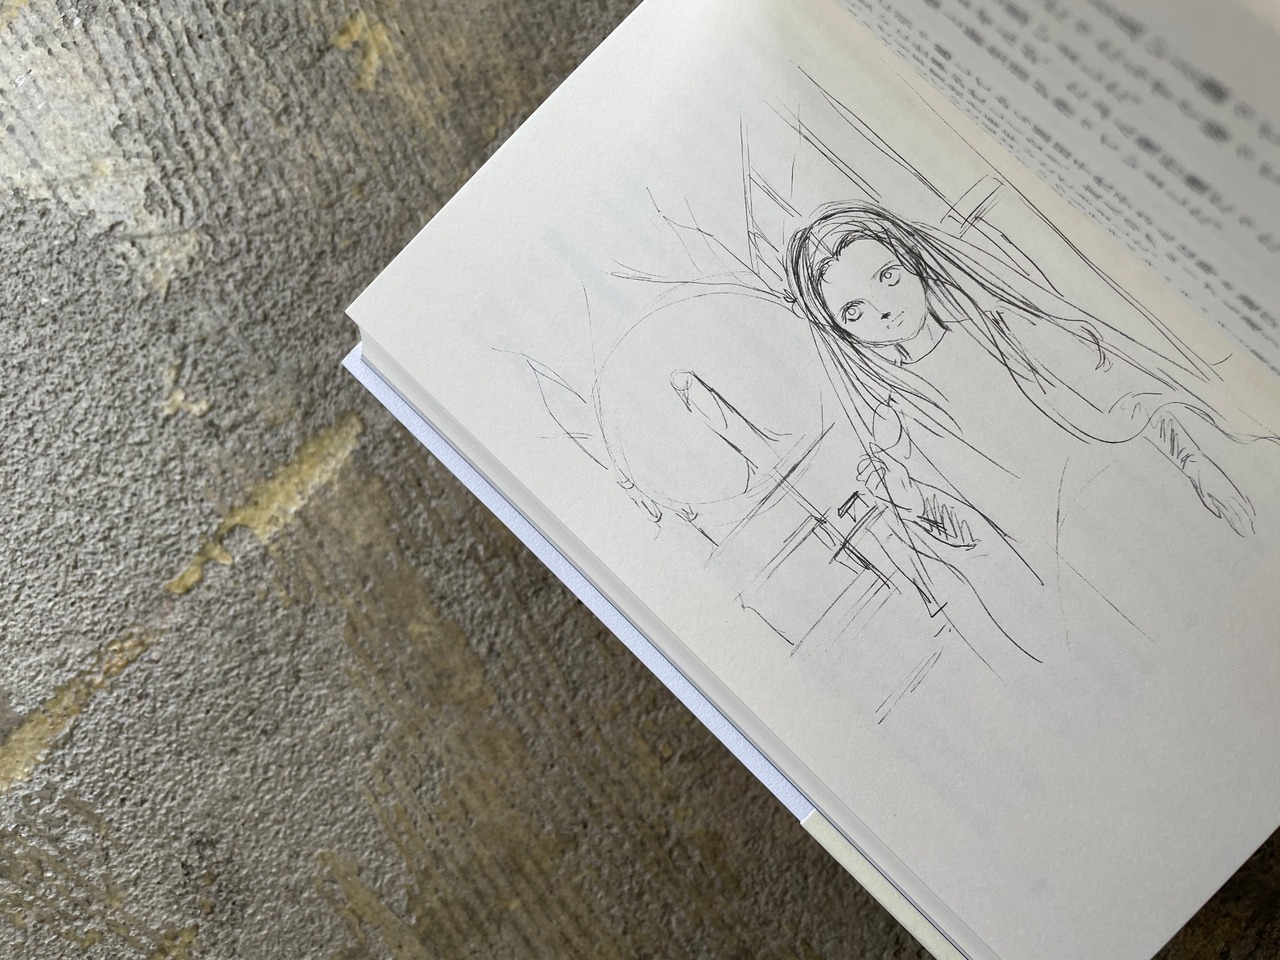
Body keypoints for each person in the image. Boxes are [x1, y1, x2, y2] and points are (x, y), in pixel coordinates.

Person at [783, 201, 1258, 669]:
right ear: (838, 330)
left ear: (912, 260)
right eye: (853, 311)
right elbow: (983, 537)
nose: (884, 309)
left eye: (887, 276)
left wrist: (1196, 463)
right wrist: (916, 505)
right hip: (1085, 570)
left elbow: (1127, 395)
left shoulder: (1007, 328)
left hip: (1154, 492)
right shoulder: (895, 426)